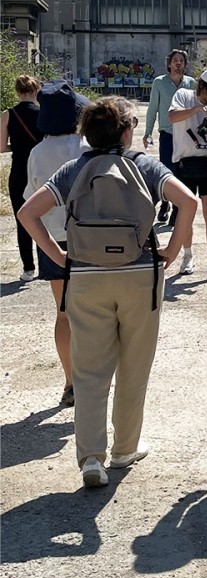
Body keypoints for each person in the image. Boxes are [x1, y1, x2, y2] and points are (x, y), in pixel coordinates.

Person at [17, 97, 198, 488]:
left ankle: (91, 458)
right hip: (139, 276)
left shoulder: (74, 169)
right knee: (134, 365)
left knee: (89, 370)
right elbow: (189, 201)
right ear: (126, 131)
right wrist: (170, 251)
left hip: (85, 276)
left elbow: (27, 213)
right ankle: (124, 448)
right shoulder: (144, 165)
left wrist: (59, 255)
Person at [25, 81, 90, 407]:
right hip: (89, 238)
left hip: (51, 239)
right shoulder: (86, 146)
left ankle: (69, 383)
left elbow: (30, 200)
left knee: (64, 313)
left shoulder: (37, 153)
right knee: (94, 313)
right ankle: (95, 378)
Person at [168, 67, 207, 282]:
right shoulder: (183, 96)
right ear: (201, 85)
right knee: (186, 212)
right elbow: (172, 117)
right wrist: (197, 111)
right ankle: (187, 256)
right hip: (185, 162)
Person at [143, 49, 196, 226]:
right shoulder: (159, 82)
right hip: (167, 133)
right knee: (167, 171)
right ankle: (165, 202)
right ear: (169, 64)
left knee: (182, 172)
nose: (178, 63)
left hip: (186, 135)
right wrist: (148, 132)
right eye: (175, 60)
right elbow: (153, 109)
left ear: (185, 64)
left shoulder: (191, 83)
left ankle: (176, 211)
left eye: (181, 60)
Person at [1, 75, 43, 281]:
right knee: (46, 217)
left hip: (19, 171)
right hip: (41, 170)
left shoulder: (7, 115)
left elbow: (1, 147)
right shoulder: (44, 113)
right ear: (36, 91)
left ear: (17, 92)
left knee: (23, 218)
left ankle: (28, 268)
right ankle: (48, 262)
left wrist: (17, 146)